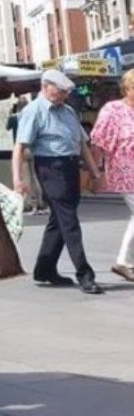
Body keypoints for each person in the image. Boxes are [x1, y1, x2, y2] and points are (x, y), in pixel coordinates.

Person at [13, 69, 105, 295]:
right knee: (68, 219)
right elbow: (20, 147)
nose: (64, 95)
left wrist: (95, 173)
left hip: (70, 165)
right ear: (45, 87)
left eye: (66, 92)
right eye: (60, 91)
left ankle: (44, 269)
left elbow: (82, 145)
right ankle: (84, 273)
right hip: (49, 167)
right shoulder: (34, 111)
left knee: (59, 218)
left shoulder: (69, 112)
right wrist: (18, 179)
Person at [90, 69, 134, 283]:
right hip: (126, 171)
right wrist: (96, 173)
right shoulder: (113, 110)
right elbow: (99, 142)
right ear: (126, 89)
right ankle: (123, 261)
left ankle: (125, 261)